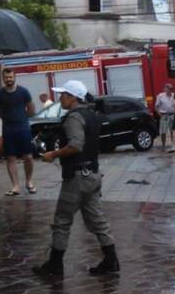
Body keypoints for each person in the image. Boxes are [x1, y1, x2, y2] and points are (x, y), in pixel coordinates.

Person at [33, 80, 119, 278]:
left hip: (77, 177)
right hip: (93, 175)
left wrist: (53, 154)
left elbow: (76, 145)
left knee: (62, 221)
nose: (60, 97)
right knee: (97, 220)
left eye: (63, 94)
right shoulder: (91, 115)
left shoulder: (74, 117)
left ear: (73, 97)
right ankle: (111, 261)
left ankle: (55, 267)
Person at [0, 69, 36, 195]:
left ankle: (29, 182)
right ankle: (15, 186)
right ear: (3, 78)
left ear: (15, 77)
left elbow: (31, 109)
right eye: (6, 77)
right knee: (10, 158)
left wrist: (23, 118)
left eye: (11, 77)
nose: (9, 79)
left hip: (23, 128)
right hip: (8, 130)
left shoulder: (23, 91)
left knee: (28, 157)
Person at [155, 84, 175, 152]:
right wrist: (160, 115)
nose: (169, 90)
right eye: (168, 88)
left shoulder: (174, 95)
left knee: (173, 131)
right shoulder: (160, 96)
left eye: (171, 89)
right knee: (163, 132)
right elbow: (156, 106)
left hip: (172, 115)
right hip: (164, 115)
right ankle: (163, 146)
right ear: (165, 89)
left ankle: (173, 145)